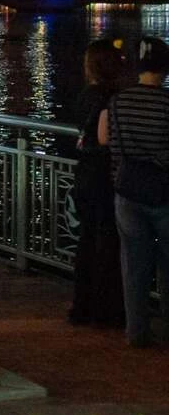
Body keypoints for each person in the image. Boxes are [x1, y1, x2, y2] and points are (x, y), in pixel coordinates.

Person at [101, 36, 169, 349]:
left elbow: (113, 145)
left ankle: (136, 331)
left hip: (127, 192)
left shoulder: (118, 101)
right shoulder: (166, 103)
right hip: (163, 192)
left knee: (133, 267)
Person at [69, 38, 129, 328]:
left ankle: (81, 306)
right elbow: (105, 138)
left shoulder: (84, 96)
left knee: (86, 240)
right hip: (103, 176)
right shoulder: (108, 97)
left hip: (83, 174)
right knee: (107, 242)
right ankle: (105, 311)